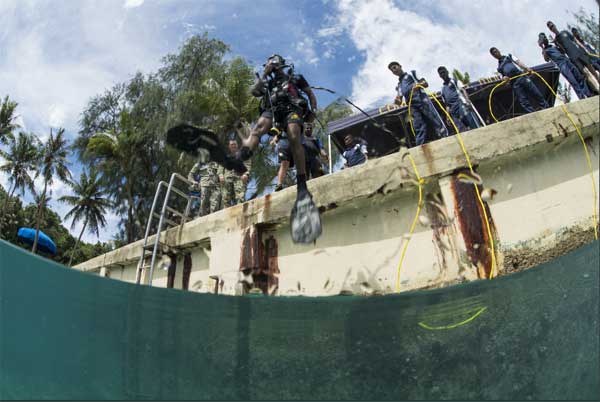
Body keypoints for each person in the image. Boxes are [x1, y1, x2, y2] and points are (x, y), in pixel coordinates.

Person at [243, 54, 321, 243]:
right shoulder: (267, 83)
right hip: (273, 110)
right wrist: (264, 74)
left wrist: (312, 111)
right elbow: (254, 91)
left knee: (294, 135)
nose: (270, 62)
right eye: (267, 61)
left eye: (272, 61)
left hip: (292, 108)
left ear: (280, 63)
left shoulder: (296, 77)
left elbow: (310, 94)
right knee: (257, 129)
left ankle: (302, 180)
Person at [388, 61, 448, 146]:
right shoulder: (399, 85)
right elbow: (399, 101)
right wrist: (395, 102)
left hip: (422, 100)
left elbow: (425, 83)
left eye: (394, 67)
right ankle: (420, 146)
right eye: (392, 70)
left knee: (434, 117)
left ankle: (445, 136)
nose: (394, 70)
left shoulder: (412, 74)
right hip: (412, 106)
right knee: (418, 125)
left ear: (400, 66)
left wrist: (418, 85)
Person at [489, 47, 549, 114]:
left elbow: (518, 62)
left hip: (521, 77)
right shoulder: (499, 68)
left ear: (498, 51)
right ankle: (533, 113)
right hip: (514, 83)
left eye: (496, 51)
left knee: (535, 92)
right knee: (523, 100)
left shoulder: (508, 56)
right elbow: (502, 78)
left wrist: (526, 68)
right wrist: (505, 79)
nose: (495, 53)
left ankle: (546, 107)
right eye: (493, 53)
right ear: (493, 56)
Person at [538, 33, 592, 99]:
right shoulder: (545, 51)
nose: (545, 39)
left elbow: (563, 51)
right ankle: (582, 97)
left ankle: (588, 94)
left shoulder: (552, 46)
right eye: (543, 38)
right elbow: (546, 59)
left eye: (545, 37)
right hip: (562, 65)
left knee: (579, 77)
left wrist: (557, 43)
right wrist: (542, 47)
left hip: (567, 60)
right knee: (573, 81)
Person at [437, 66, 482, 132]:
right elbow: (447, 105)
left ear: (447, 72)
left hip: (461, 105)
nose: (443, 74)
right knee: (462, 130)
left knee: (474, 124)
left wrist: (468, 101)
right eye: (441, 73)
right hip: (453, 111)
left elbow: (463, 90)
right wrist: (447, 116)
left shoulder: (454, 81)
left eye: (444, 72)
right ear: (440, 76)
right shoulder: (442, 89)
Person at [219, 138, 250, 207]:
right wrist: (220, 175)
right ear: (229, 146)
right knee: (226, 198)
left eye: (235, 144)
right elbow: (221, 167)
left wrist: (246, 174)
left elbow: (247, 165)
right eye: (231, 144)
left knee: (240, 198)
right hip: (227, 179)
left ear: (237, 145)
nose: (233, 146)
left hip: (239, 178)